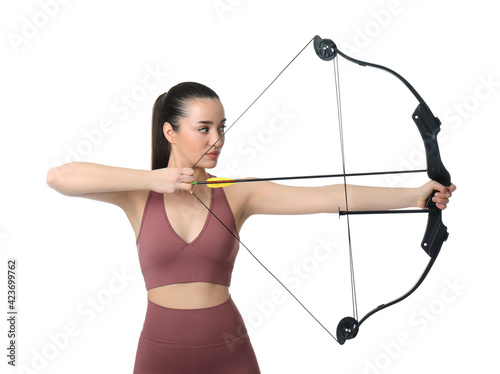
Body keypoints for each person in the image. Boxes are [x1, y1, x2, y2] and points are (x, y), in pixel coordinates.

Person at [46, 82, 456, 373]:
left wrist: (414, 195)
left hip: (228, 348)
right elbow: (59, 176)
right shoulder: (137, 195)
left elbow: (329, 196)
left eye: (222, 127)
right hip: (159, 351)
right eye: (204, 128)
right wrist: (150, 179)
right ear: (170, 132)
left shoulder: (238, 194)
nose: (218, 138)